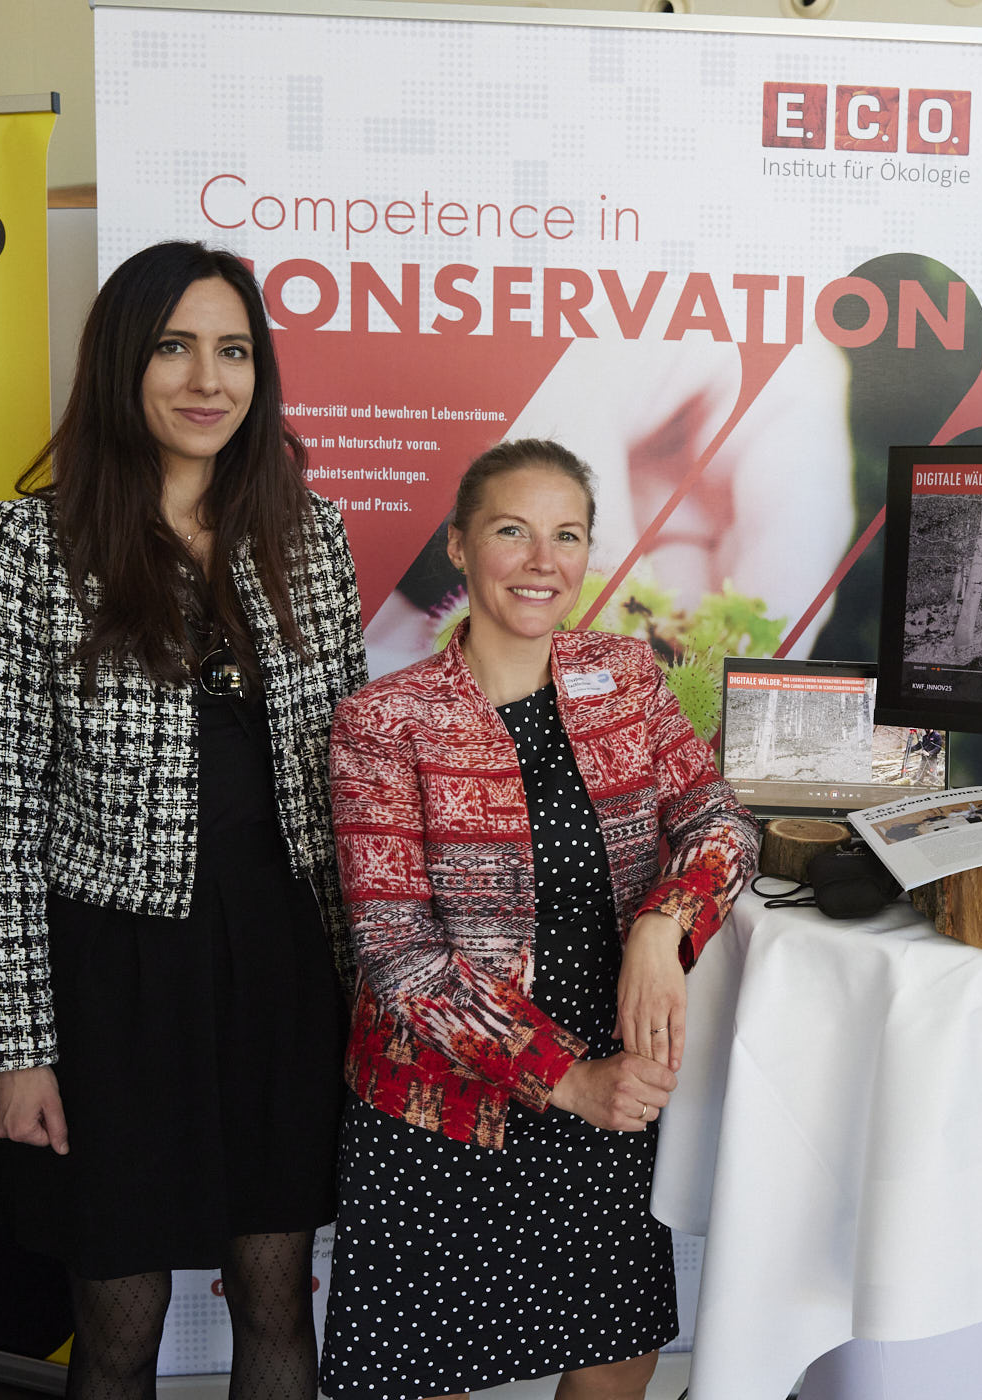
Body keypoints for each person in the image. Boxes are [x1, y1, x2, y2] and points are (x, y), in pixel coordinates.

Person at [0, 241, 367, 1400]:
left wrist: (374, 991)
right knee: (119, 1326)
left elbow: (351, 780)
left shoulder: (309, 531)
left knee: (278, 1302)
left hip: (282, 967)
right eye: (175, 347)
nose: (206, 379)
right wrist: (14, 1044)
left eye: (232, 350)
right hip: (116, 981)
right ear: (123, 362)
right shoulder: (34, 543)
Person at [319, 440, 759, 1400]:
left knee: (615, 1353)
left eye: (566, 536)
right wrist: (568, 1080)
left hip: (610, 1080)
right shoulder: (383, 721)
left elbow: (718, 822)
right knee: (424, 1372)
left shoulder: (624, 674)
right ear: (458, 545)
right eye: (511, 531)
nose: (541, 561)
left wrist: (662, 927)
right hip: (443, 1107)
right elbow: (398, 953)